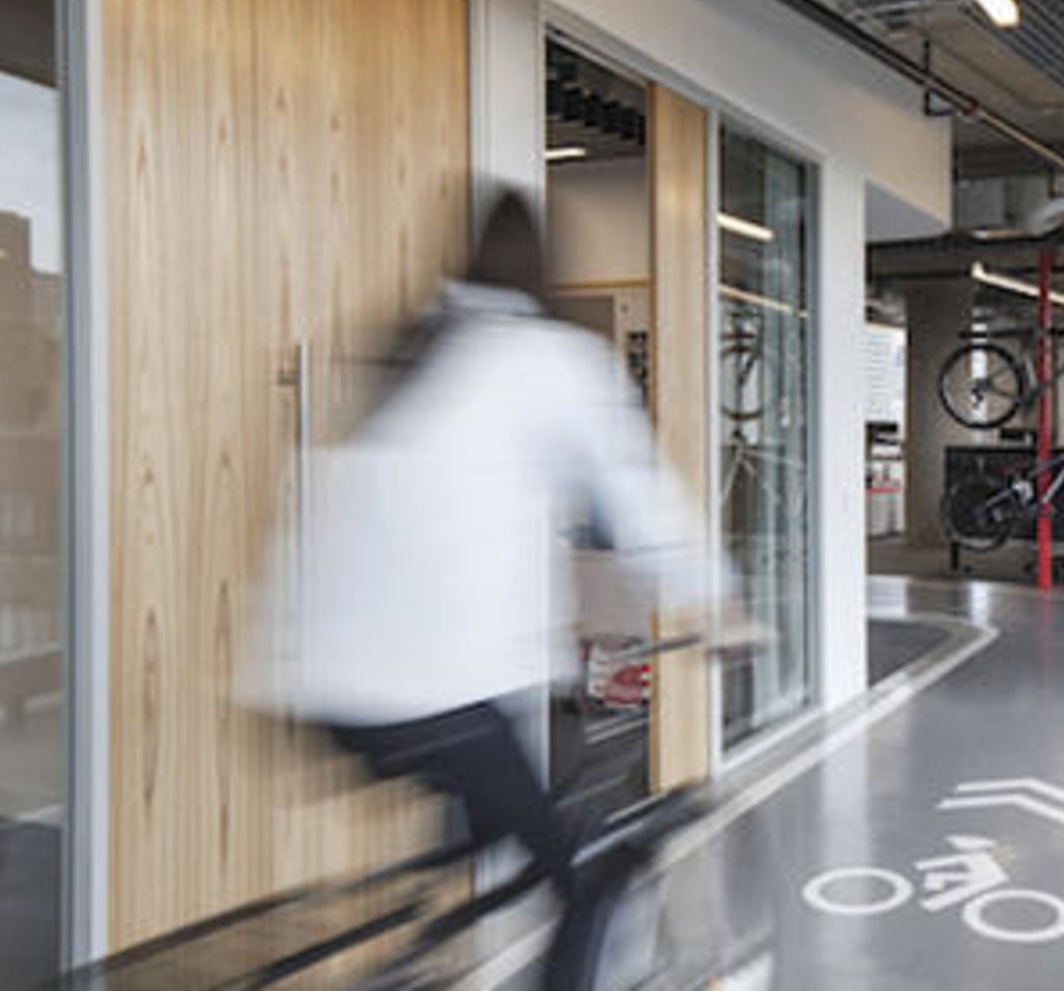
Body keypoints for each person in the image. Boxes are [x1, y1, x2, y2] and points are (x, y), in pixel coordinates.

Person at [251, 189, 717, 991]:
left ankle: (422, 932)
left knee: (492, 815)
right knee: (589, 881)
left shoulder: (414, 346)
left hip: (318, 684)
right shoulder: (551, 360)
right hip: (443, 690)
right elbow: (642, 502)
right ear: (544, 273)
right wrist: (720, 603)